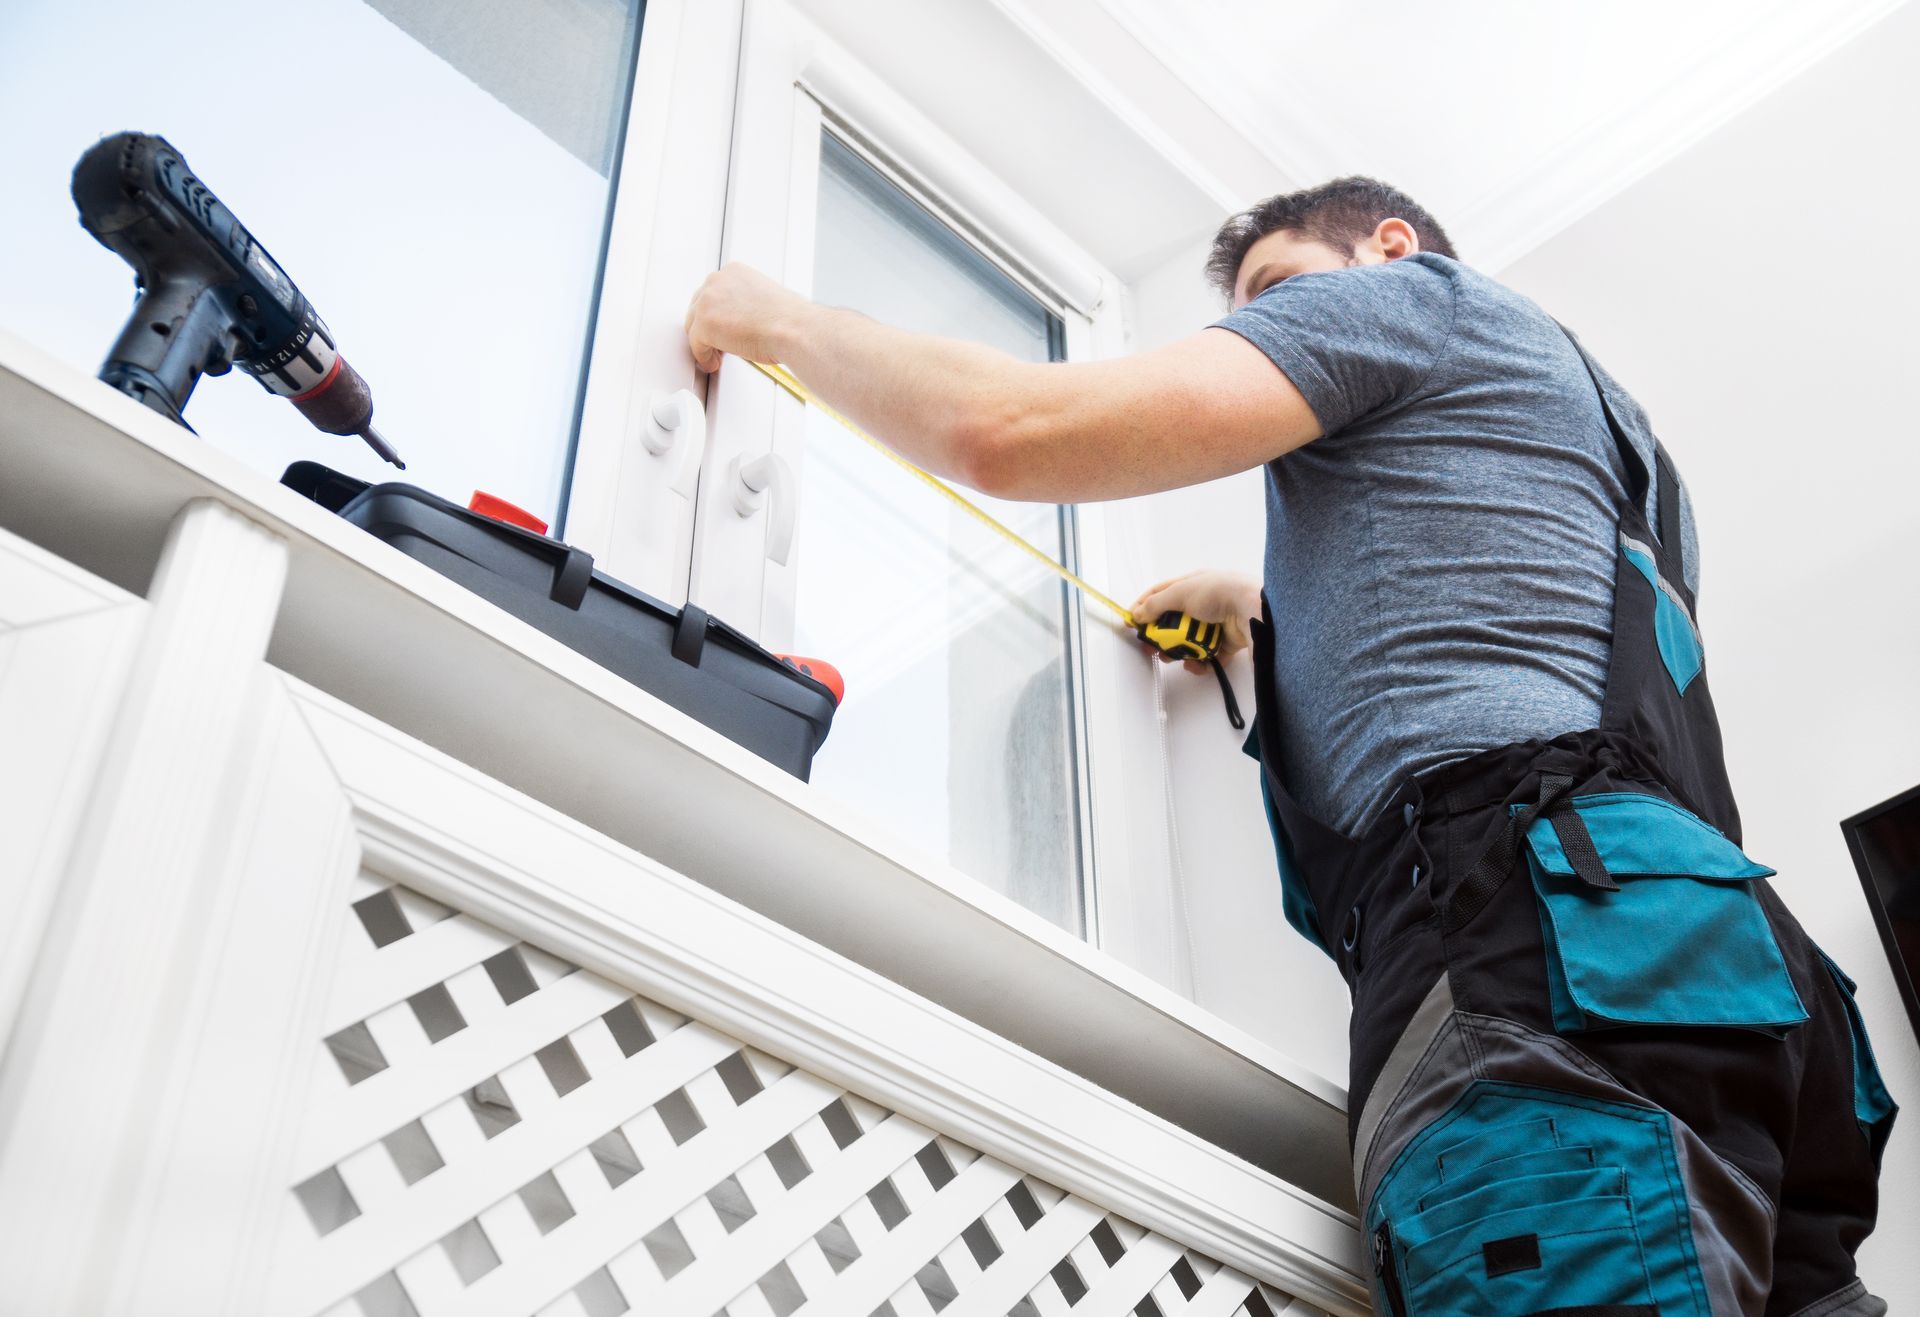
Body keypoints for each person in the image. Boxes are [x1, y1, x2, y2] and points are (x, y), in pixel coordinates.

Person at [684, 176, 1894, 1316]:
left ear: (1388, 249)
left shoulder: (1410, 302)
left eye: (1279, 290)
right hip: (1731, 980)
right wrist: (1254, 611)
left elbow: (1011, 428)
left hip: (1538, 959)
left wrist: (779, 321)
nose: (1273, 325)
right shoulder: (1627, 458)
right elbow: (1500, 643)